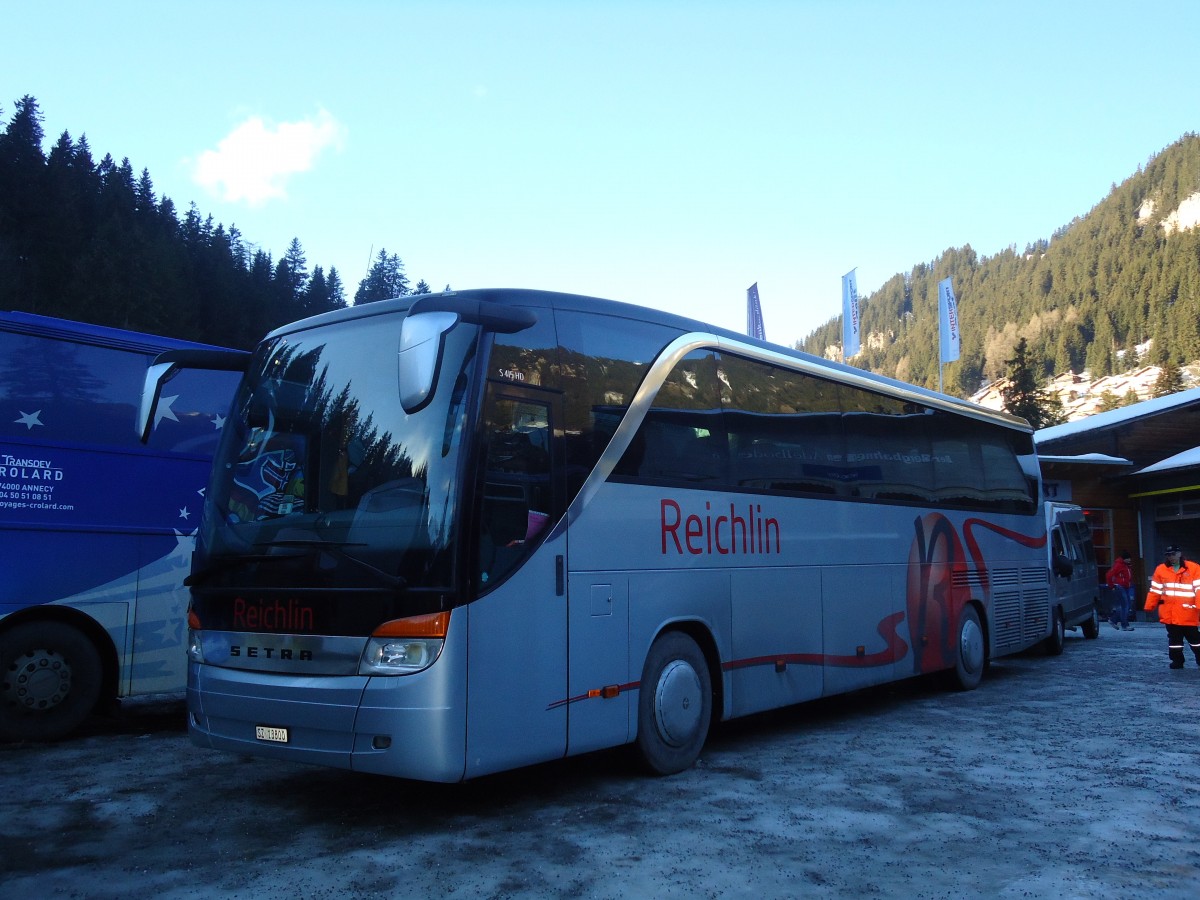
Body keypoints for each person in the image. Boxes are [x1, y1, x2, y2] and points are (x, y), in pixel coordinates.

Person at [1144, 545, 1200, 669]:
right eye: (1168, 555)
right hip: (1170, 614)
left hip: (1188, 612)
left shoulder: (1194, 568)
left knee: (1195, 640)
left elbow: (1199, 590)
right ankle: (1177, 661)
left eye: (1173, 554)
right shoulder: (1161, 570)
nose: (1171, 557)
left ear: (1179, 554)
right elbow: (1155, 590)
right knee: (1175, 641)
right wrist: (1149, 606)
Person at [1106, 551, 1134, 630]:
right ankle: (1124, 625)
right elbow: (1109, 575)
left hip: (1125, 587)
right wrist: (1111, 586)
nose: (1129, 560)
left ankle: (1113, 620)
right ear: (1124, 559)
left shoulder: (1126, 565)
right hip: (1120, 587)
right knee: (1125, 605)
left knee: (1125, 606)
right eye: (1128, 558)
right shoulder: (1119, 565)